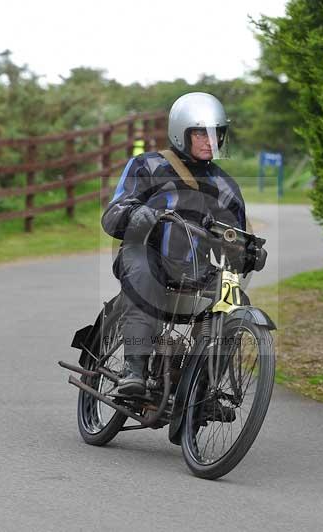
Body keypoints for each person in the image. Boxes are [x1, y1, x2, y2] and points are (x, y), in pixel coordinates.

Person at [100, 92, 248, 395]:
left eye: (216, 134)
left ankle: (201, 390)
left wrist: (246, 251)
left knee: (235, 300)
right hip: (145, 256)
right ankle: (134, 370)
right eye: (201, 133)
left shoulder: (225, 186)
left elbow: (236, 239)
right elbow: (112, 216)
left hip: (196, 270)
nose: (210, 141)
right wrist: (139, 214)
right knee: (145, 278)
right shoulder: (148, 166)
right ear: (181, 133)